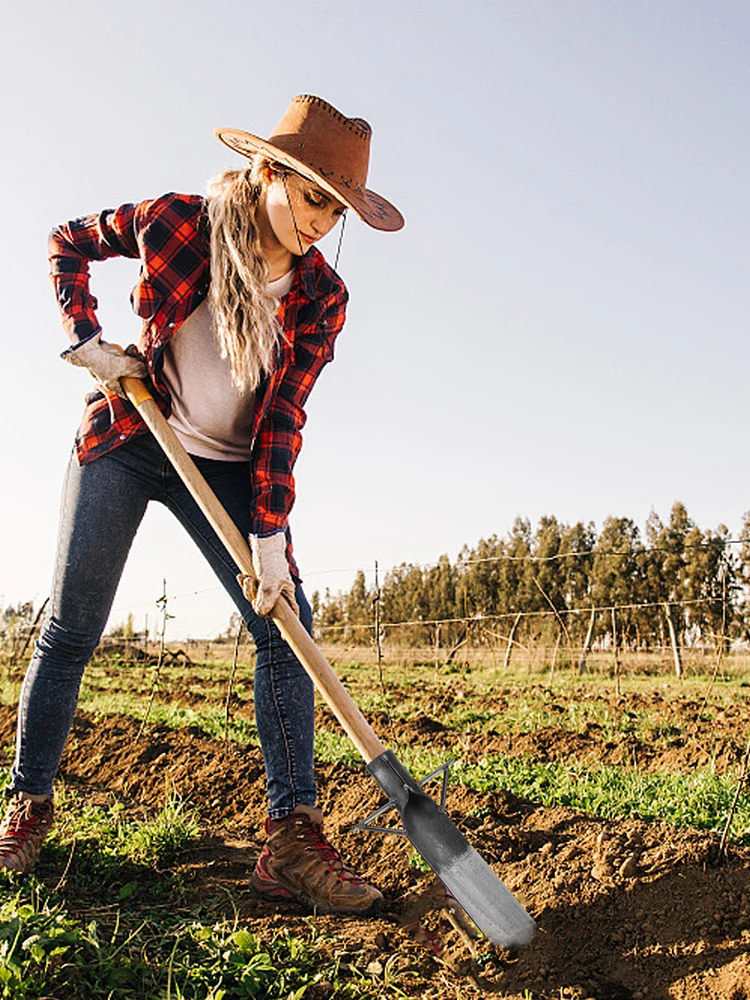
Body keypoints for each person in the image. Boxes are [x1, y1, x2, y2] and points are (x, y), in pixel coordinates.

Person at [0, 95, 404, 914]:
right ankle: (29, 805)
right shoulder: (175, 222)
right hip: (134, 432)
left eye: (340, 207)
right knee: (73, 625)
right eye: (316, 196)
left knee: (284, 627)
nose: (324, 220)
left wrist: (269, 539)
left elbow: (284, 415)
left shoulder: (323, 296)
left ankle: (291, 838)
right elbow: (66, 242)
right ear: (267, 173)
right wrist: (86, 336)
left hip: (229, 468)